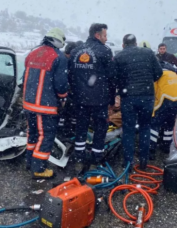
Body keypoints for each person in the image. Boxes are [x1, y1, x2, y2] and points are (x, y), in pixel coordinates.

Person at [23, 28, 68, 179]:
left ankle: (29, 162)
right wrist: (63, 97)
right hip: (45, 106)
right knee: (46, 135)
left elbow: (25, 78)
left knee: (32, 134)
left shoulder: (32, 53)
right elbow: (61, 85)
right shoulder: (58, 57)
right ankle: (39, 169)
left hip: (28, 104)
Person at [69, 23, 116, 169]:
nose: (106, 39)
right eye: (105, 35)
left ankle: (79, 155)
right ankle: (96, 157)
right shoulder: (105, 51)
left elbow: (70, 75)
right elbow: (112, 77)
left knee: (81, 126)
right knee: (100, 127)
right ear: (97, 35)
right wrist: (112, 99)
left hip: (80, 98)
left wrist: (76, 92)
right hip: (99, 99)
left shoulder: (76, 51)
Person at [114, 34, 162, 170]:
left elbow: (114, 77)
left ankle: (128, 163)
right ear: (136, 43)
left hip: (128, 97)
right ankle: (143, 162)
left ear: (123, 45)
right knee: (145, 127)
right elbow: (159, 73)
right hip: (147, 96)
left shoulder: (119, 56)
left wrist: (123, 87)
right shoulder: (148, 53)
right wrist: (147, 81)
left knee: (128, 130)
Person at [149, 61, 177, 160]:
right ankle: (165, 147)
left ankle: (151, 150)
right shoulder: (173, 73)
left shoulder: (158, 74)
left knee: (155, 124)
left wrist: (153, 111)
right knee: (169, 124)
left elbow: (153, 91)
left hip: (166, 99)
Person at [58, 40, 84, 138]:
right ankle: (66, 130)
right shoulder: (67, 61)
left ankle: (64, 129)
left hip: (67, 94)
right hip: (67, 94)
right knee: (68, 112)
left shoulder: (63, 59)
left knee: (67, 113)